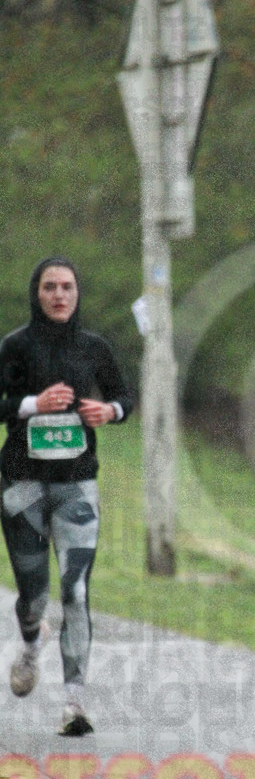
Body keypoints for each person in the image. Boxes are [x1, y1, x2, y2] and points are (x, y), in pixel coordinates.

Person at [0, 256, 133, 736]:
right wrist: (35, 405)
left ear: (78, 295)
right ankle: (32, 641)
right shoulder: (14, 347)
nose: (59, 295)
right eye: (50, 287)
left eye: (68, 287)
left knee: (75, 590)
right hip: (22, 486)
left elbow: (124, 397)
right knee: (34, 595)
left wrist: (110, 411)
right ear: (37, 293)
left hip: (77, 483)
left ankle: (74, 702)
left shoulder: (94, 348)